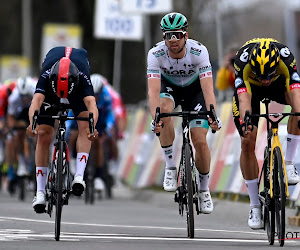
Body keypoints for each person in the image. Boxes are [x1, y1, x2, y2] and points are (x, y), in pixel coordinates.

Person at [147, 12, 221, 214]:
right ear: (163, 37)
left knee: (199, 140)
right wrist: (156, 118)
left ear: (185, 36)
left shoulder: (199, 51)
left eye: (177, 35)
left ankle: (204, 190)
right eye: (168, 35)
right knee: (163, 111)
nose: (173, 40)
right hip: (169, 89)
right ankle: (171, 166)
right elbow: (153, 91)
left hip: (195, 91)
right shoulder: (155, 54)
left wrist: (212, 114)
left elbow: (207, 89)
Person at [232, 38, 300, 229]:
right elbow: (244, 97)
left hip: (280, 86)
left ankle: (288, 163)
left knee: (298, 108)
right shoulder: (242, 61)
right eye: (260, 75)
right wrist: (246, 120)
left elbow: (295, 90)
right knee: (247, 141)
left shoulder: (285, 58)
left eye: (268, 74)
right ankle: (255, 205)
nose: (265, 79)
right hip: (250, 90)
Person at [26, 46, 98, 213]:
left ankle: (79, 176)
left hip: (76, 92)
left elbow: (91, 105)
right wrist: (33, 124)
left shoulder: (83, 77)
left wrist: (92, 127)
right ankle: (40, 192)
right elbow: (36, 102)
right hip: (51, 93)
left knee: (86, 126)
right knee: (43, 134)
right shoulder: (45, 75)